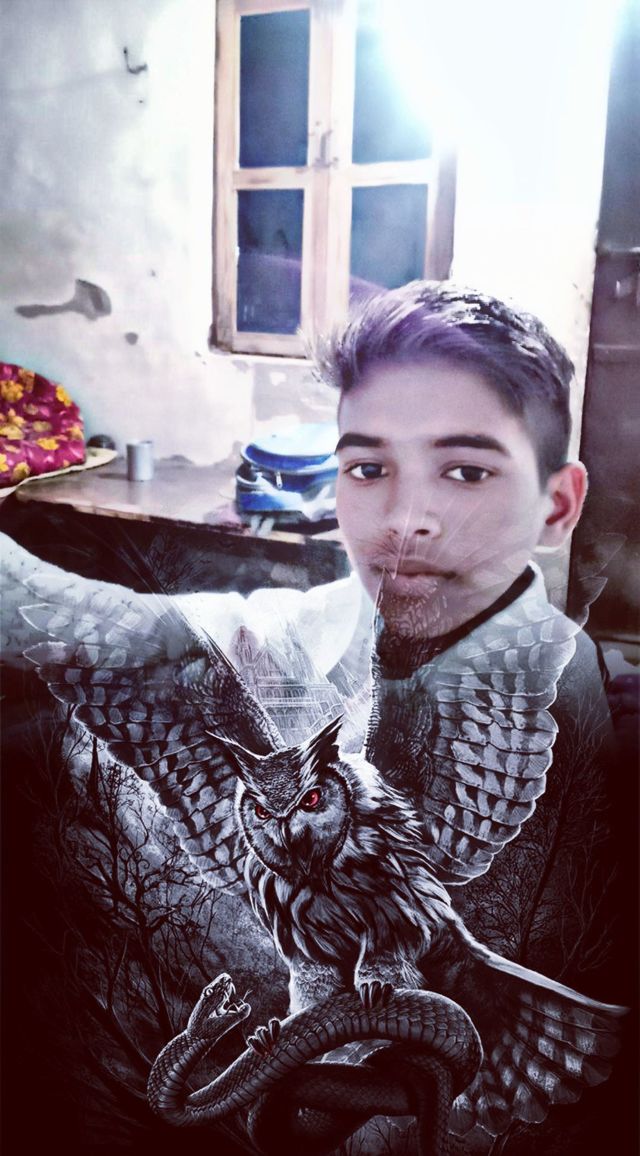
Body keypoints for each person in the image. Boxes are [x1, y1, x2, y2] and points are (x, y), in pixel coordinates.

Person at [0, 282, 629, 1151]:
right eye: (368, 468)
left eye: (466, 471)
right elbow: (73, 619)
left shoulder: (562, 686)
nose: (406, 519)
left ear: (556, 505)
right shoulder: (308, 630)